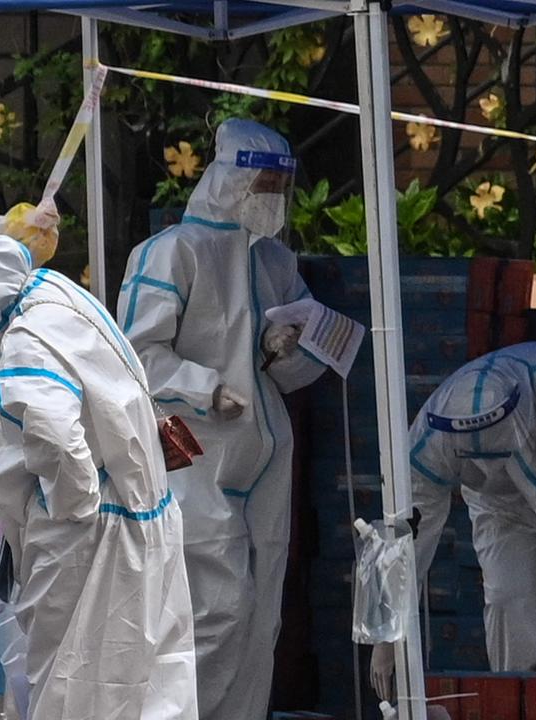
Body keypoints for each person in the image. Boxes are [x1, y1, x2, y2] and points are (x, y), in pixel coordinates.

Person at [0, 201, 198, 719]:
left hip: (95, 547)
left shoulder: (28, 341)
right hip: (146, 523)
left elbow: (59, 442)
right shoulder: (59, 296)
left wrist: (66, 521)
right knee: (156, 696)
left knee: (79, 698)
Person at [115, 118, 329, 720]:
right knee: (215, 611)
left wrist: (284, 351)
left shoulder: (275, 261)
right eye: (263, 183)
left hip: (262, 456)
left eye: (280, 187)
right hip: (195, 456)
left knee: (262, 618)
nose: (272, 198)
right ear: (231, 179)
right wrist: (205, 387)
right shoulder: (172, 252)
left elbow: (279, 370)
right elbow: (134, 356)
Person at [371, 342, 536, 696]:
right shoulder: (426, 444)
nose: (488, 460)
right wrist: (386, 635)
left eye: (498, 449)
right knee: (508, 598)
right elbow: (407, 536)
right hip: (500, 505)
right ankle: (522, 698)